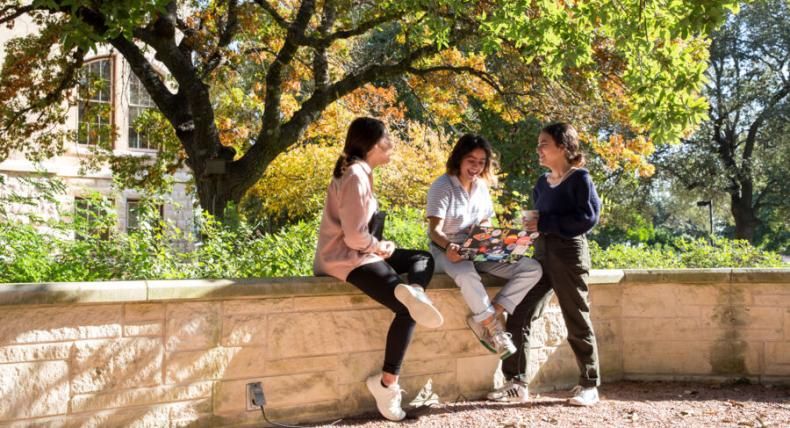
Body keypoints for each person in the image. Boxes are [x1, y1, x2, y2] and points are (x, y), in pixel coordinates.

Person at [313, 117, 444, 421]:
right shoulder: (356, 174)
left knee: (422, 259)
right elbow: (356, 237)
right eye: (388, 139)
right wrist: (380, 247)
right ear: (373, 144)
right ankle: (387, 385)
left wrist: (378, 247)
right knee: (406, 310)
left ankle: (416, 294)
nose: (392, 145)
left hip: (362, 254)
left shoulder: (360, 172)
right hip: (346, 259)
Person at [488, 122, 602, 406]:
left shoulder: (580, 179)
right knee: (520, 313)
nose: (538, 149)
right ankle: (517, 383)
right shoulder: (541, 184)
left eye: (544, 143)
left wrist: (546, 223)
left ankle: (589, 384)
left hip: (569, 255)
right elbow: (536, 222)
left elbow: (588, 218)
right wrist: (522, 236)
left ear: (562, 147)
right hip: (540, 256)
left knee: (576, 318)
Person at [426, 134, 542, 360]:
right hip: (446, 251)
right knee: (467, 274)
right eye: (471, 160)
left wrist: (491, 238)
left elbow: (486, 222)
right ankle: (494, 329)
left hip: (478, 249)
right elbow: (434, 231)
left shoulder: (481, 187)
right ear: (459, 158)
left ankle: (491, 315)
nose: (476, 167)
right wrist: (450, 246)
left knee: (532, 269)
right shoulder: (442, 186)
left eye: (481, 162)